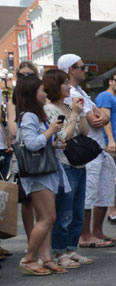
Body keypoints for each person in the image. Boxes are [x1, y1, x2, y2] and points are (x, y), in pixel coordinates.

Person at [14, 75, 70, 275]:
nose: (45, 94)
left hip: (46, 170)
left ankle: (45, 258)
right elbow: (31, 144)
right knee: (47, 217)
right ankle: (29, 258)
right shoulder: (28, 116)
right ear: (32, 93)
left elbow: (40, 143)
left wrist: (53, 141)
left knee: (46, 218)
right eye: (41, 90)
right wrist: (50, 133)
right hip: (38, 173)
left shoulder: (36, 115)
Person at [64, 55, 116, 252]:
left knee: (104, 189)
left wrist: (100, 115)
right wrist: (100, 115)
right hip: (86, 148)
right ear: (71, 69)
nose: (85, 70)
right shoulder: (70, 92)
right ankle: (84, 234)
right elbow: (95, 119)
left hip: (97, 147)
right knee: (89, 192)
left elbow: (102, 116)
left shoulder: (81, 92)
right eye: (82, 67)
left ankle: (97, 231)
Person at [44, 65, 91, 269]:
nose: (67, 86)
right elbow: (64, 136)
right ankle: (59, 251)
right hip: (64, 163)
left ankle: (72, 248)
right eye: (64, 83)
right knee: (64, 210)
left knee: (77, 209)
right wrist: (73, 118)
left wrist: (78, 113)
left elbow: (84, 131)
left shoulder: (69, 107)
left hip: (79, 162)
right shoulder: (50, 109)